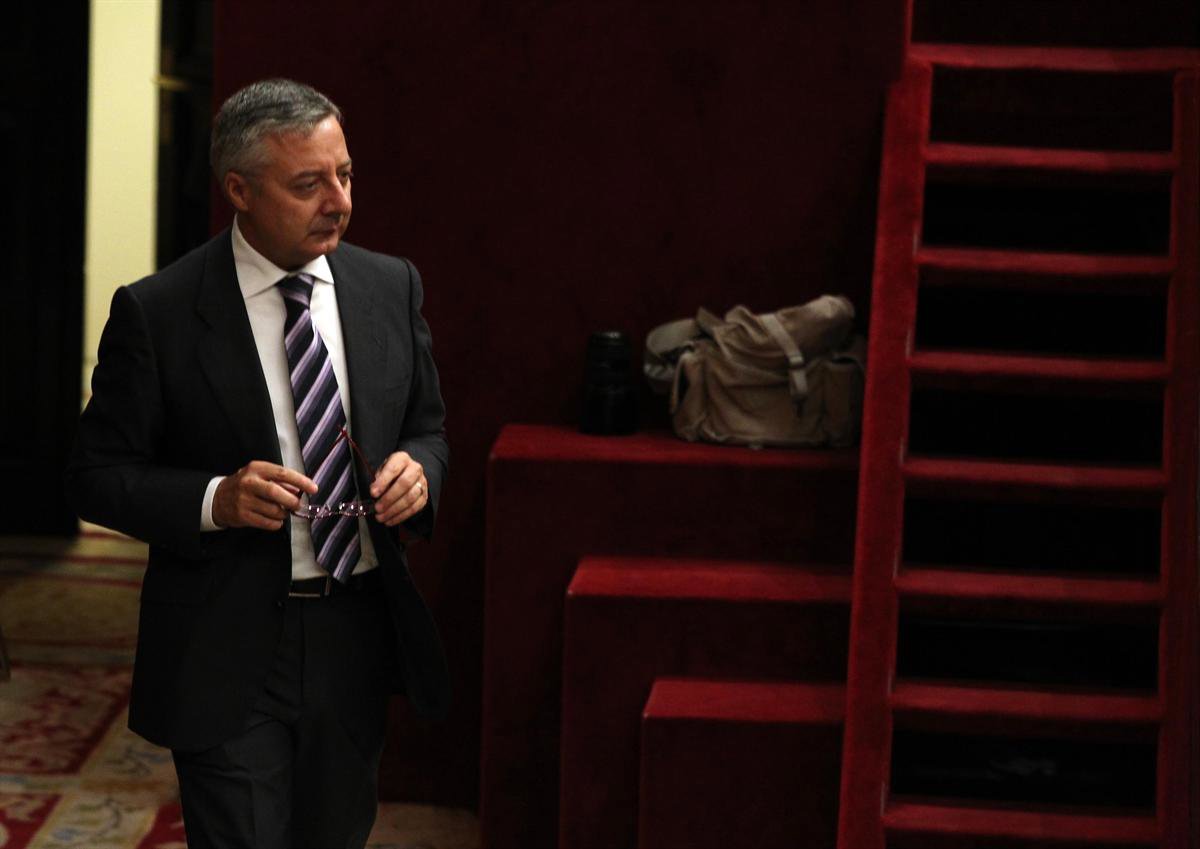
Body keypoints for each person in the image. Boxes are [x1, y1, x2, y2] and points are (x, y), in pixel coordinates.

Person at [66, 78, 449, 849]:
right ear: (238, 189)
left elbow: (427, 428)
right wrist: (216, 498)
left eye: (345, 174)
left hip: (354, 629)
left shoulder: (389, 285)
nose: (338, 201)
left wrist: (419, 470)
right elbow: (95, 476)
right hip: (225, 641)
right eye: (308, 185)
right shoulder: (158, 311)